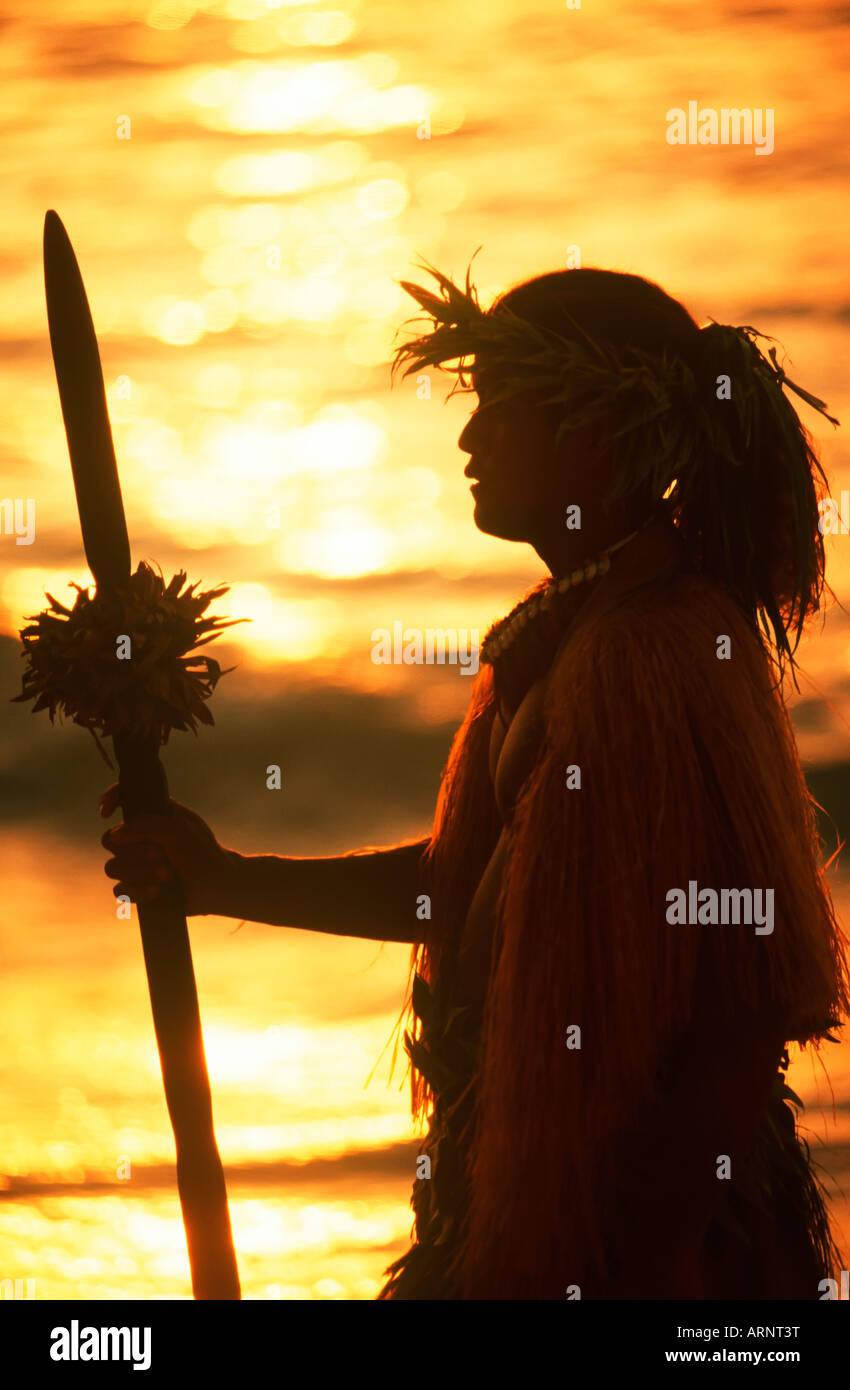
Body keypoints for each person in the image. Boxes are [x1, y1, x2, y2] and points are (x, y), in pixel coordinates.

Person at [100, 262, 849, 1300]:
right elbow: (453, 891)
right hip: (513, 1205)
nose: (466, 438)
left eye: (500, 408)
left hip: (649, 1240)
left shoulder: (660, 650)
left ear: (595, 428)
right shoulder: (564, 634)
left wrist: (644, 1258)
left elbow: (738, 1004)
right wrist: (223, 877)